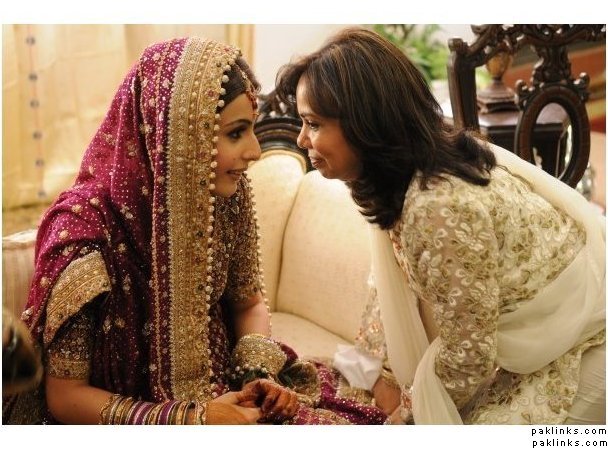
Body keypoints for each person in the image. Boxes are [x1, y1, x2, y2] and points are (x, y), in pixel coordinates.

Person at [3, 37, 385, 425]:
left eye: (251, 130)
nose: (255, 151)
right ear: (177, 136)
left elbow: (248, 303)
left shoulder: (226, 199)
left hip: (226, 389)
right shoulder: (85, 234)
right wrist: (192, 419)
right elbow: (65, 398)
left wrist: (258, 377)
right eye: (235, 133)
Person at [275, 27, 606, 425]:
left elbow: (469, 356)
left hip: (583, 343)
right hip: (531, 345)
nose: (301, 140)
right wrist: (369, 372)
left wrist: (404, 415)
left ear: (366, 123)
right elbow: (388, 290)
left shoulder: (437, 204)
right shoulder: (400, 180)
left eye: (313, 124)